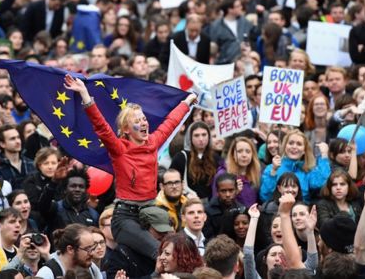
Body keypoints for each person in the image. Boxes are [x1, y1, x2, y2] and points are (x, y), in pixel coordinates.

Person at [63, 73, 195, 261]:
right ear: (126, 129)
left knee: (177, 249)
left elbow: (171, 123)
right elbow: (101, 126)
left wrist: (187, 102)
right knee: (161, 254)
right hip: (125, 218)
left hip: (150, 213)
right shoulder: (119, 149)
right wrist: (84, 94)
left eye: (144, 119)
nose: (143, 123)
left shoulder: (153, 142)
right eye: (137, 121)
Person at [260, 129, 331, 203]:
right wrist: (273, 172)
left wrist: (324, 157)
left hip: (301, 211)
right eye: (291, 143)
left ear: (304, 150)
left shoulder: (308, 169)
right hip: (277, 211)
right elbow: (265, 197)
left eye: (299, 144)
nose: (294, 147)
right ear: (285, 147)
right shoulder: (272, 168)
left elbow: (320, 183)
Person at [35, 223, 102, 279]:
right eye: (87, 249)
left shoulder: (92, 269)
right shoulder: (47, 273)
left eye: (93, 248)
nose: (92, 253)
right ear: (70, 249)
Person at [212, 137, 260, 207]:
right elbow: (215, 203)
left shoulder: (255, 174)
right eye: (239, 151)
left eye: (248, 151)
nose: (244, 155)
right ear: (233, 155)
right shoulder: (222, 174)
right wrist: (235, 193)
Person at [204, 173, 244, 240]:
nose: (228, 194)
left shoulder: (241, 209)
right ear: (217, 191)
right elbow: (207, 237)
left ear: (236, 190)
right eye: (223, 191)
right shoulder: (208, 211)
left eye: (231, 190)